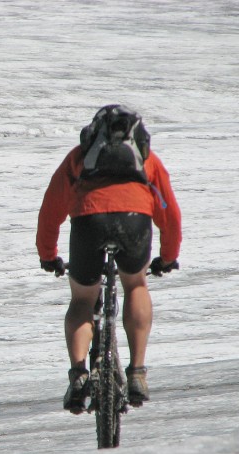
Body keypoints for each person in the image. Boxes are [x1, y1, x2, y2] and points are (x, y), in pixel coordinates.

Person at [36, 105, 182, 414]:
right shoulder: (148, 160)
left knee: (82, 300)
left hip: (89, 223)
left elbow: (51, 209)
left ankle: (78, 376)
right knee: (135, 284)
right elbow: (169, 213)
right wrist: (168, 257)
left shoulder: (78, 158)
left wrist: (48, 256)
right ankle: (137, 373)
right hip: (134, 222)